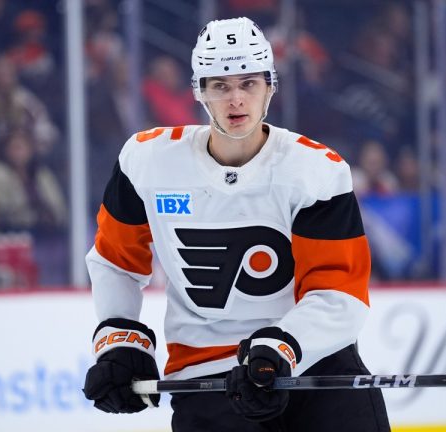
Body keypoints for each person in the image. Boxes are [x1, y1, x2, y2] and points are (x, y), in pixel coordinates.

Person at [82, 17, 390, 431]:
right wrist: (121, 336)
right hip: (205, 375)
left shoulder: (315, 171)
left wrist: (281, 348)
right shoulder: (147, 163)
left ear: (270, 86)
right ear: (200, 92)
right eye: (220, 86)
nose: (236, 100)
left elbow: (339, 291)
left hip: (311, 363)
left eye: (249, 84)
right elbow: (116, 261)